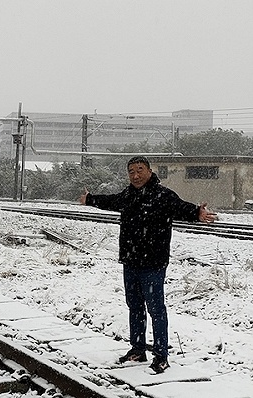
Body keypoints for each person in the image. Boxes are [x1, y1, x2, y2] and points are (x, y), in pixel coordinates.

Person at [79, 156, 216, 374]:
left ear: (150, 171)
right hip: (130, 262)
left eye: (140, 170)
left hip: (153, 264)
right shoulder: (128, 195)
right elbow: (111, 201)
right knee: (134, 307)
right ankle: (137, 349)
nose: (135, 175)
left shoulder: (162, 195)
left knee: (156, 310)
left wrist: (197, 213)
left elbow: (181, 208)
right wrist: (91, 199)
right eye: (131, 171)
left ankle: (161, 356)